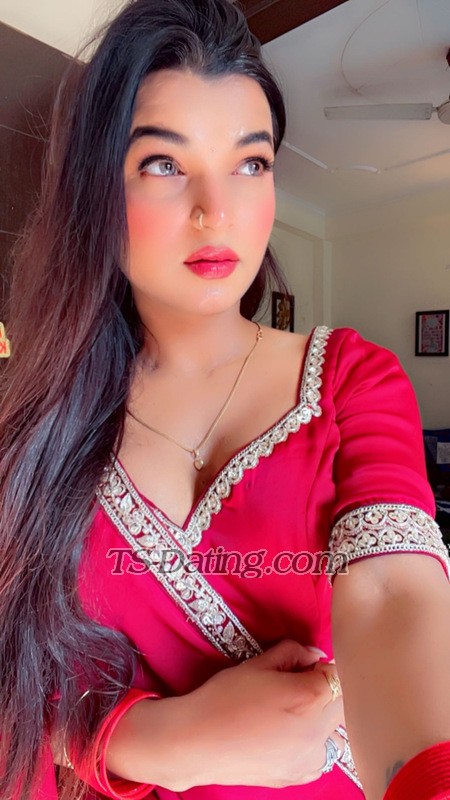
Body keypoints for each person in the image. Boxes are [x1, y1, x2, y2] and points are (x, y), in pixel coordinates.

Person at [1, 1, 450, 799]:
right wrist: (166, 743)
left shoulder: (351, 379)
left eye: (250, 163)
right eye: (163, 164)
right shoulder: (40, 424)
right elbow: (20, 673)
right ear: (95, 189)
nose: (217, 210)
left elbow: (391, 591)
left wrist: (427, 776)